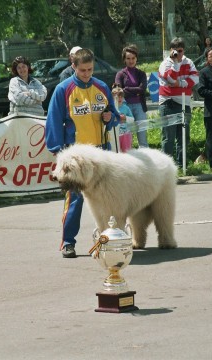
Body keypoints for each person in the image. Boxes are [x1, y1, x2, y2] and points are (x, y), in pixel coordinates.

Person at [45, 48, 119, 258]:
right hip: (77, 157)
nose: (87, 73)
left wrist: (110, 117)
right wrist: (59, 153)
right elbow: (53, 122)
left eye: (90, 69)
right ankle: (68, 242)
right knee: (75, 200)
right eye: (83, 70)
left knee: (107, 197)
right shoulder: (63, 89)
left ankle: (110, 238)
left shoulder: (102, 86)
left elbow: (113, 115)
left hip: (101, 153)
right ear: (74, 67)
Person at [158, 37, 199, 164]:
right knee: (168, 137)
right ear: (171, 50)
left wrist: (180, 83)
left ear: (184, 50)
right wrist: (175, 63)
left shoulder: (189, 62)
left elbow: (195, 79)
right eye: (175, 51)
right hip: (168, 103)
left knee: (183, 136)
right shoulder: (166, 63)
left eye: (180, 51)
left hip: (184, 103)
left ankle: (182, 164)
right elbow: (170, 78)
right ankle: (167, 165)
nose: (178, 53)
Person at [114, 44, 149, 147]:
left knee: (143, 139)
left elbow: (142, 89)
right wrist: (135, 90)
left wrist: (127, 89)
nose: (131, 60)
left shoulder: (141, 74)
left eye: (133, 58)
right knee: (125, 138)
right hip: (125, 107)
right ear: (124, 59)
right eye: (128, 58)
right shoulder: (120, 74)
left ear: (136, 58)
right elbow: (118, 90)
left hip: (140, 107)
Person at [111, 84, 134, 152]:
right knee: (115, 151)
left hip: (125, 134)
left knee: (126, 152)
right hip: (114, 134)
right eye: (117, 97)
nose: (119, 99)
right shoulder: (111, 108)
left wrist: (125, 118)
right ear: (113, 98)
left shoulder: (126, 108)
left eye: (121, 97)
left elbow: (132, 119)